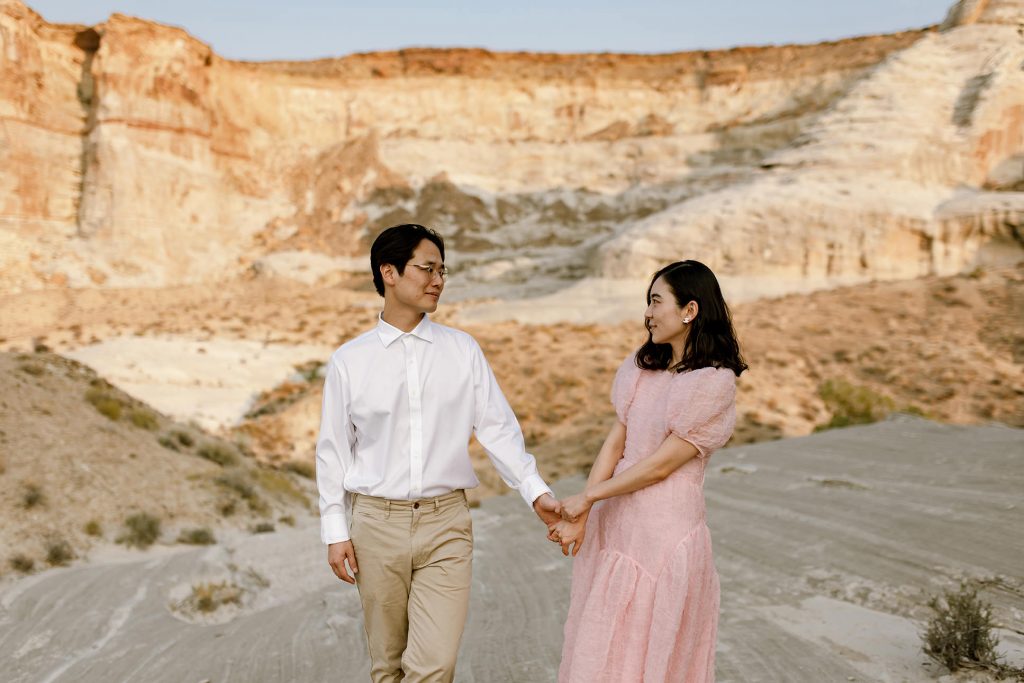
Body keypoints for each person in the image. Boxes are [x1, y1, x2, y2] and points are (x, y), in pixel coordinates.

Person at [315, 223, 562, 683]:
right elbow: (333, 450)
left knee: (434, 666)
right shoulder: (350, 361)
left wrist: (536, 492)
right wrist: (334, 527)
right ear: (388, 272)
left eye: (442, 270)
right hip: (375, 527)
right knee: (387, 666)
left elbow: (498, 429)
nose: (438, 280)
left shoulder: (462, 350)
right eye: (426, 268)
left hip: (446, 525)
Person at [550, 260, 746, 683]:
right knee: (605, 638)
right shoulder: (643, 369)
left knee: (652, 640)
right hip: (617, 521)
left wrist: (589, 497)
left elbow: (659, 467)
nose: (649, 313)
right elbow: (615, 441)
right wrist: (586, 510)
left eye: (657, 301)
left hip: (665, 529)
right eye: (648, 302)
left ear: (690, 310)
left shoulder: (712, 382)